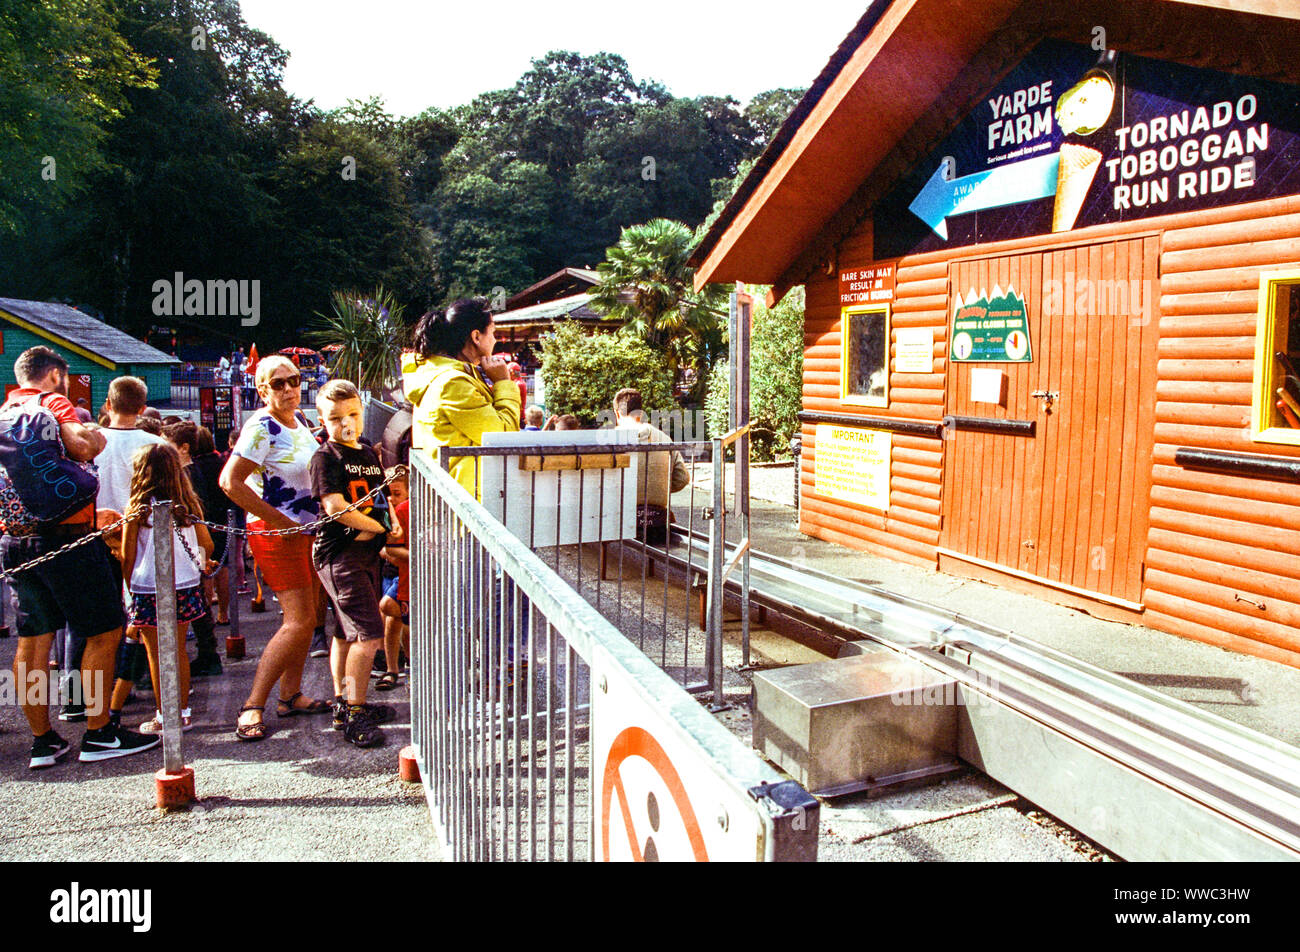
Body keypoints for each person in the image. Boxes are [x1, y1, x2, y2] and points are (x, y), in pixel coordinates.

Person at [1, 347, 159, 767]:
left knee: (33, 641)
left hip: (17, 541)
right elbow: (83, 446)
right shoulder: (53, 402)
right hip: (68, 538)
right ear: (55, 375)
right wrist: (93, 436)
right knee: (104, 631)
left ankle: (43, 741)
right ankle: (99, 732)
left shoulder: (4, 411)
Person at [220, 355, 330, 741]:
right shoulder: (260, 427)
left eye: (294, 380)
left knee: (310, 616)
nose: (288, 389)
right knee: (298, 621)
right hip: (278, 533)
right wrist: (282, 523)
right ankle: (252, 704)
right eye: (277, 383)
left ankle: (290, 694)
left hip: (307, 531)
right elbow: (229, 482)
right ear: (261, 389)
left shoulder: (297, 419)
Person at [309, 380, 397, 747]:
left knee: (346, 633)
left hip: (365, 555)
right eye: (335, 418)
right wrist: (376, 526)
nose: (346, 424)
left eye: (353, 415)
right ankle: (356, 711)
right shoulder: (325, 457)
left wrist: (391, 523)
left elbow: (380, 497)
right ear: (321, 419)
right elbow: (334, 508)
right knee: (369, 634)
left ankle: (345, 701)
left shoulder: (367, 453)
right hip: (340, 556)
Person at [121, 443, 214, 733]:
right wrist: (201, 565)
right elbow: (207, 544)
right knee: (178, 652)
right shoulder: (187, 505)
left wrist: (128, 591)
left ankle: (164, 715)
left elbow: (127, 555)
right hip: (184, 584)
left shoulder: (137, 509)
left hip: (147, 586)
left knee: (156, 654)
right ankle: (183, 712)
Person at [93, 376, 166, 721]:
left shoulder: (89, 441)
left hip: (95, 534)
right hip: (143, 539)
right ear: (141, 408)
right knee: (142, 620)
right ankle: (138, 686)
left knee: (97, 624)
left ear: (108, 405)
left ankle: (87, 699)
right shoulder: (155, 443)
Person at [401, 300, 521, 497]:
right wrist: (504, 383)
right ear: (476, 336)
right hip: (465, 500)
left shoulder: (447, 376)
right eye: (492, 332)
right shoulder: (454, 383)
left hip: (455, 493)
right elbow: (503, 436)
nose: (494, 340)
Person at [165, 421, 230, 674]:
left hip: (198, 539)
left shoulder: (189, 474)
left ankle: (208, 650)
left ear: (183, 448)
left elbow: (197, 511)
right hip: (200, 538)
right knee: (200, 592)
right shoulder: (190, 472)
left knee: (199, 592)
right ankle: (208, 648)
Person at [613, 388, 690, 546]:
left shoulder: (612, 439)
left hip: (622, 518)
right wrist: (658, 485)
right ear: (640, 412)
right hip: (658, 520)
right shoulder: (664, 438)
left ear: (617, 413)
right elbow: (682, 478)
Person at [376, 469, 409, 691]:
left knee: (393, 609)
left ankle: (406, 662)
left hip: (404, 571)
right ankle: (392, 667)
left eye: (396, 493)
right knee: (392, 618)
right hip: (390, 570)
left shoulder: (405, 512)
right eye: (387, 493)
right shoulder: (385, 512)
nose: (391, 498)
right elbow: (382, 546)